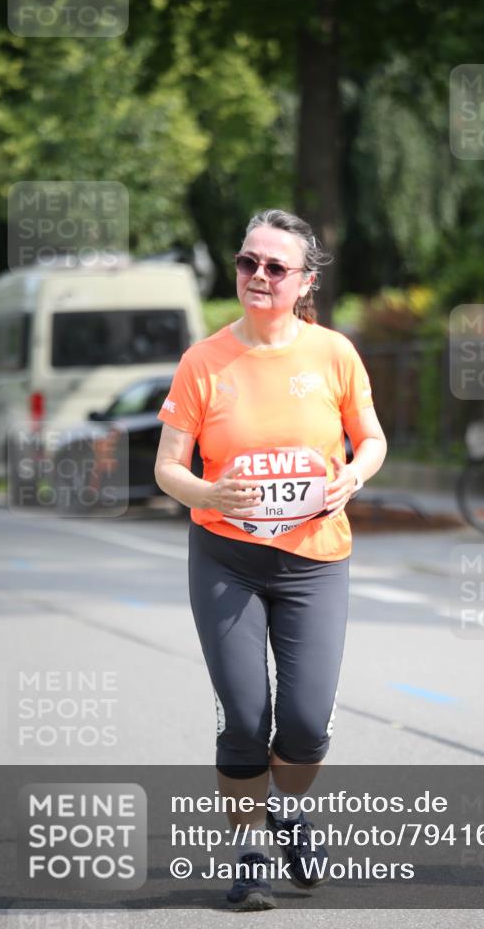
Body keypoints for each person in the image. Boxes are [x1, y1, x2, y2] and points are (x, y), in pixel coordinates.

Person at [154, 209, 387, 910]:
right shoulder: (204, 361)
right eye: (247, 262)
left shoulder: (334, 355)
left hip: (315, 559)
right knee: (246, 718)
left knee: (307, 724)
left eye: (274, 267)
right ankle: (248, 849)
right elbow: (169, 468)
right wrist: (208, 488)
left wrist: (354, 474)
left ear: (303, 281)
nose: (257, 275)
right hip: (227, 557)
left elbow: (370, 439)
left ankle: (288, 811)